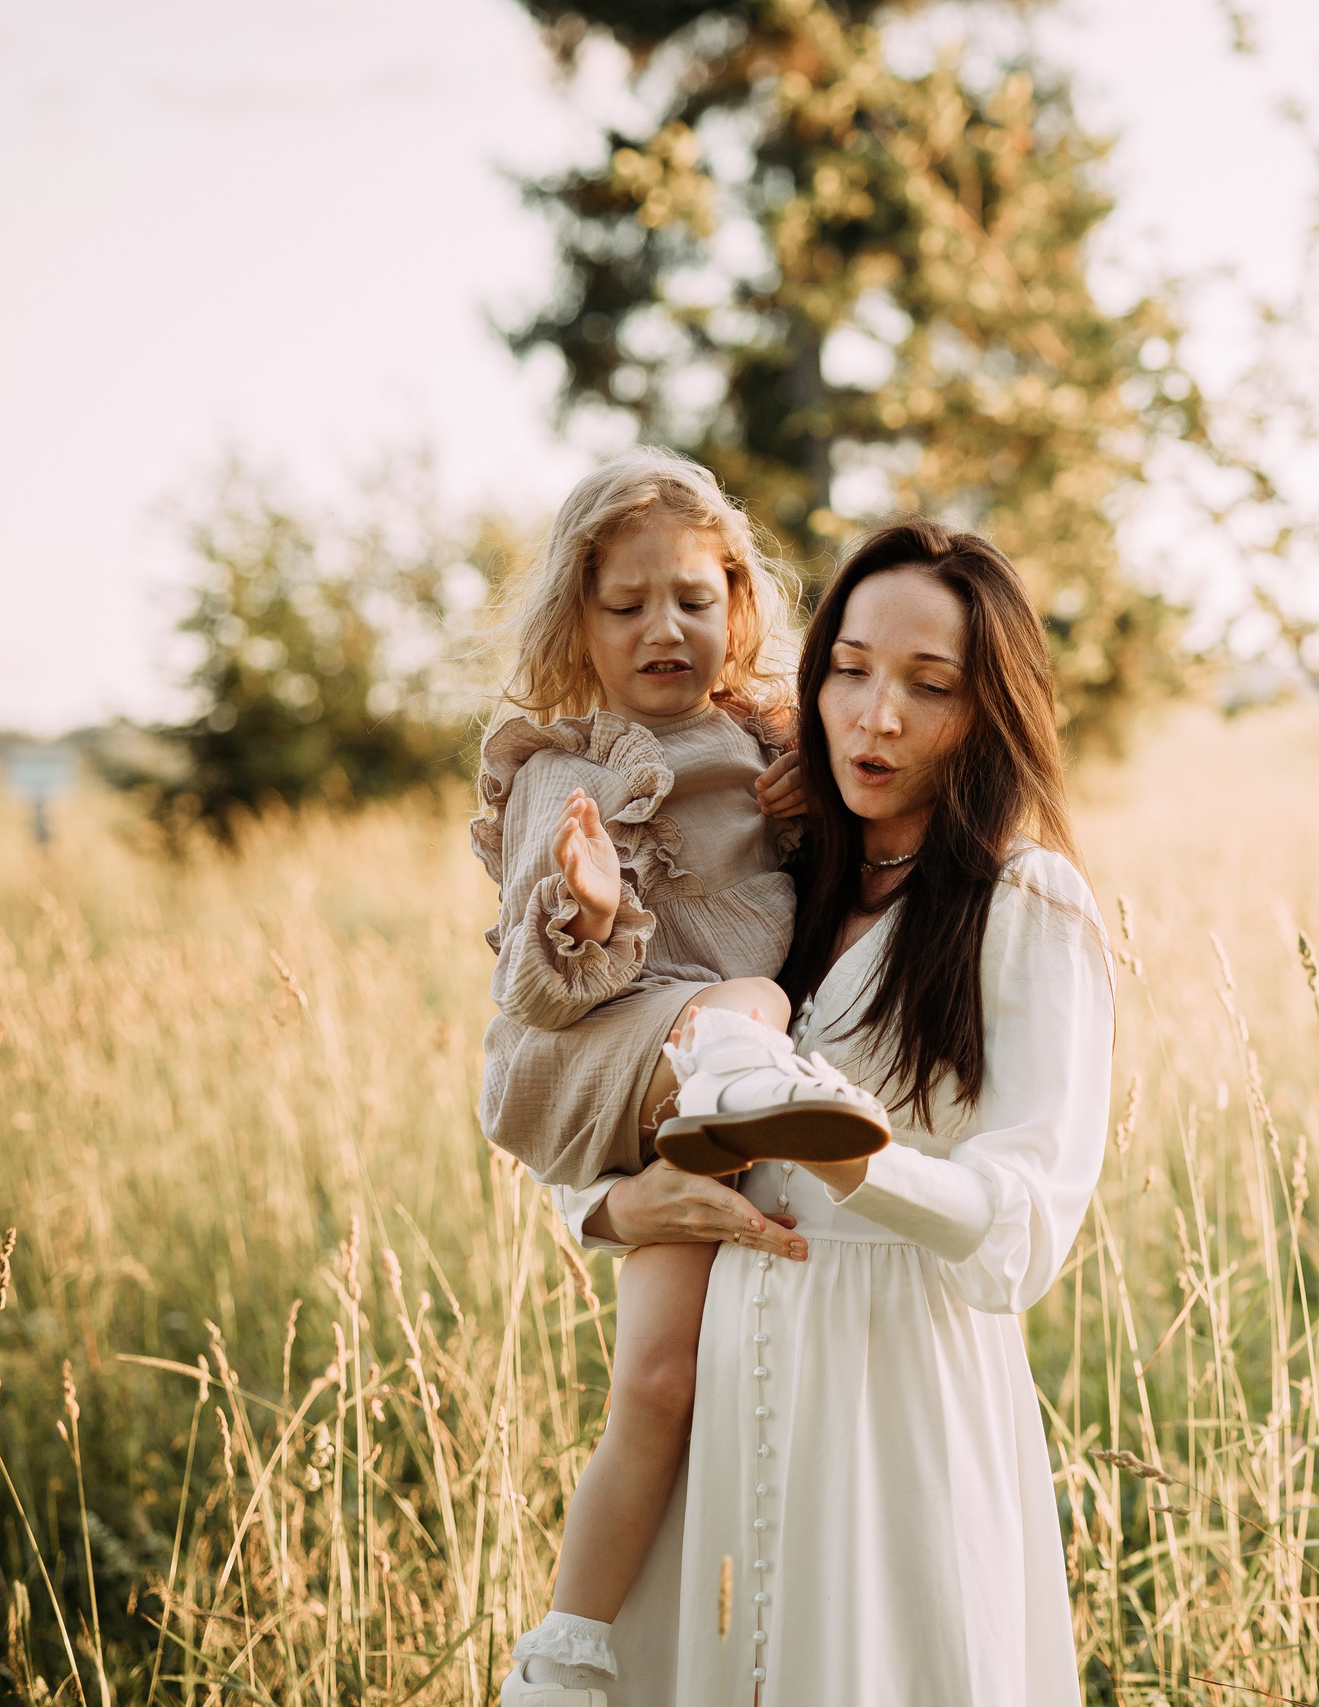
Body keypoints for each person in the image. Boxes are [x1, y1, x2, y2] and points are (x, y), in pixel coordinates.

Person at [557, 518, 1113, 1705]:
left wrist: (852, 1155)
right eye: (850, 670)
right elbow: (604, 1083)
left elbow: (1024, 1234)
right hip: (729, 1406)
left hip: (898, 1411)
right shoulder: (771, 882)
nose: (878, 717)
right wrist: (611, 1208)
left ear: (990, 711)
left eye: (930, 687)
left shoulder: (1028, 905)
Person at [472, 449, 893, 1707]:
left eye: (694, 600)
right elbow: (533, 996)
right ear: (578, 620)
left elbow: (820, 895)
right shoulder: (563, 771)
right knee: (746, 1004)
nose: (665, 628)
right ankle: (735, 1072)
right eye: (626, 604)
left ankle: (570, 1648)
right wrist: (589, 911)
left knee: (660, 1377)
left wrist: (808, 797)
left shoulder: (771, 743)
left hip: (694, 1134)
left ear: (738, 608)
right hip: (609, 1066)